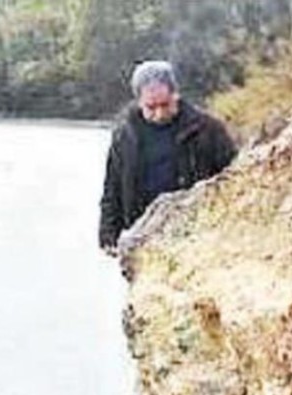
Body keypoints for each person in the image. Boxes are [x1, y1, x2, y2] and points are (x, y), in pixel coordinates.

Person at [98, 60, 236, 256]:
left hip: (197, 235)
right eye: (151, 107)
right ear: (139, 101)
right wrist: (108, 235)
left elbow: (233, 179)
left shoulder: (207, 129)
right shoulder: (124, 135)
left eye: (165, 105)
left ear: (175, 95)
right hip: (141, 237)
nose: (160, 113)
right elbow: (112, 188)